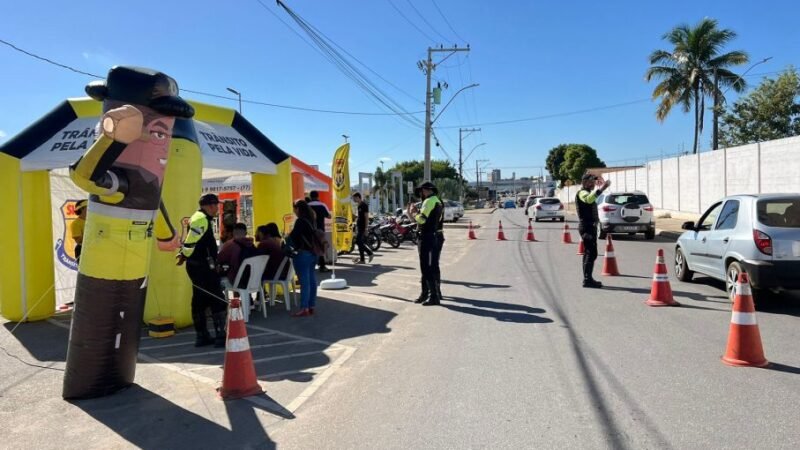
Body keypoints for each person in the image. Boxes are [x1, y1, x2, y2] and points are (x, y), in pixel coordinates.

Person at [177, 194, 227, 347]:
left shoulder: (201, 218)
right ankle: (220, 336)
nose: (217, 208)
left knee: (199, 299)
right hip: (203, 266)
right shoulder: (200, 219)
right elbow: (191, 241)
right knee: (216, 298)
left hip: (198, 265)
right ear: (209, 205)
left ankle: (202, 335)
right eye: (216, 205)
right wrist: (184, 254)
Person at [576, 173, 611, 288]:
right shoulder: (582, 193)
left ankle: (588, 278)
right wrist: (602, 189)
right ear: (585, 182)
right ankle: (587, 280)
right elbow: (589, 200)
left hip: (590, 227)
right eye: (591, 181)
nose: (593, 183)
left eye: (594, 181)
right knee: (590, 253)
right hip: (586, 227)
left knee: (591, 253)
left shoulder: (588, 192)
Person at [413, 182, 444, 306]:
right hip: (435, 235)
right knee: (433, 266)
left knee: (426, 267)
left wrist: (415, 214)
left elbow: (422, 219)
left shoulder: (428, 201)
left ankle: (433, 296)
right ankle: (431, 293)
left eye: (422, 191)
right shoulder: (439, 201)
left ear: (425, 190)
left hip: (426, 237)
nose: (421, 193)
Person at [289, 200, 319, 317]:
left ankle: (304, 307)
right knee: (311, 280)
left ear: (298, 209)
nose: (294, 211)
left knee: (304, 282)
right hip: (313, 253)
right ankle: (311, 306)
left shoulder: (300, 221)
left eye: (294, 209)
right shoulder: (311, 220)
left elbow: (293, 236)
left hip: (303, 254)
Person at [217, 222, 256, 287]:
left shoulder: (229, 244)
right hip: (252, 281)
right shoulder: (252, 245)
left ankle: (219, 297)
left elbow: (219, 260)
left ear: (233, 233)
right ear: (246, 233)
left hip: (235, 281)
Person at [308, 191, 332, 272]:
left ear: (310, 197)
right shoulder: (322, 205)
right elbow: (329, 216)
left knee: (311, 247)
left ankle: (312, 265)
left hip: (310, 230)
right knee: (321, 247)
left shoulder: (307, 206)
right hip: (320, 229)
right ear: (318, 196)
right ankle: (322, 266)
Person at [351, 192, 373, 264]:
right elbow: (359, 217)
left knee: (358, 241)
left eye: (354, 198)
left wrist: (366, 228)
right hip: (359, 226)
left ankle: (370, 253)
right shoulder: (359, 205)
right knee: (359, 242)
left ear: (358, 197)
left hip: (363, 226)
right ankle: (362, 260)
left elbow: (366, 217)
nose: (353, 199)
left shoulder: (364, 205)